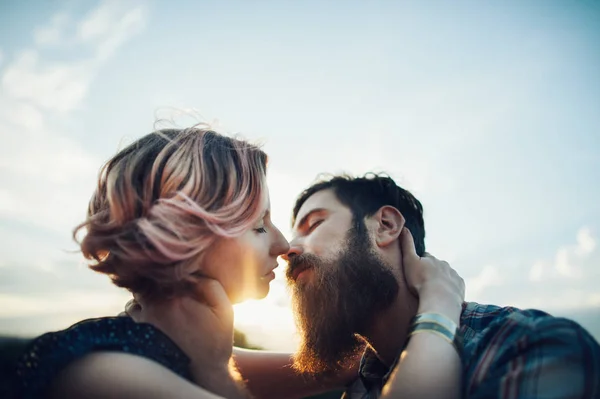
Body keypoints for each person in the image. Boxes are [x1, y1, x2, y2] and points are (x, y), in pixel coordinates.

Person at [12, 126, 464, 399]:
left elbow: (342, 367)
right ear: (188, 231)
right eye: (259, 226)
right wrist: (439, 309)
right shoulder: (107, 375)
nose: (285, 244)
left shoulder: (182, 344)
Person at [284, 173, 600, 399]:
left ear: (386, 226)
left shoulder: (530, 347)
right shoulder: (361, 385)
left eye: (314, 224)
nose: (290, 250)